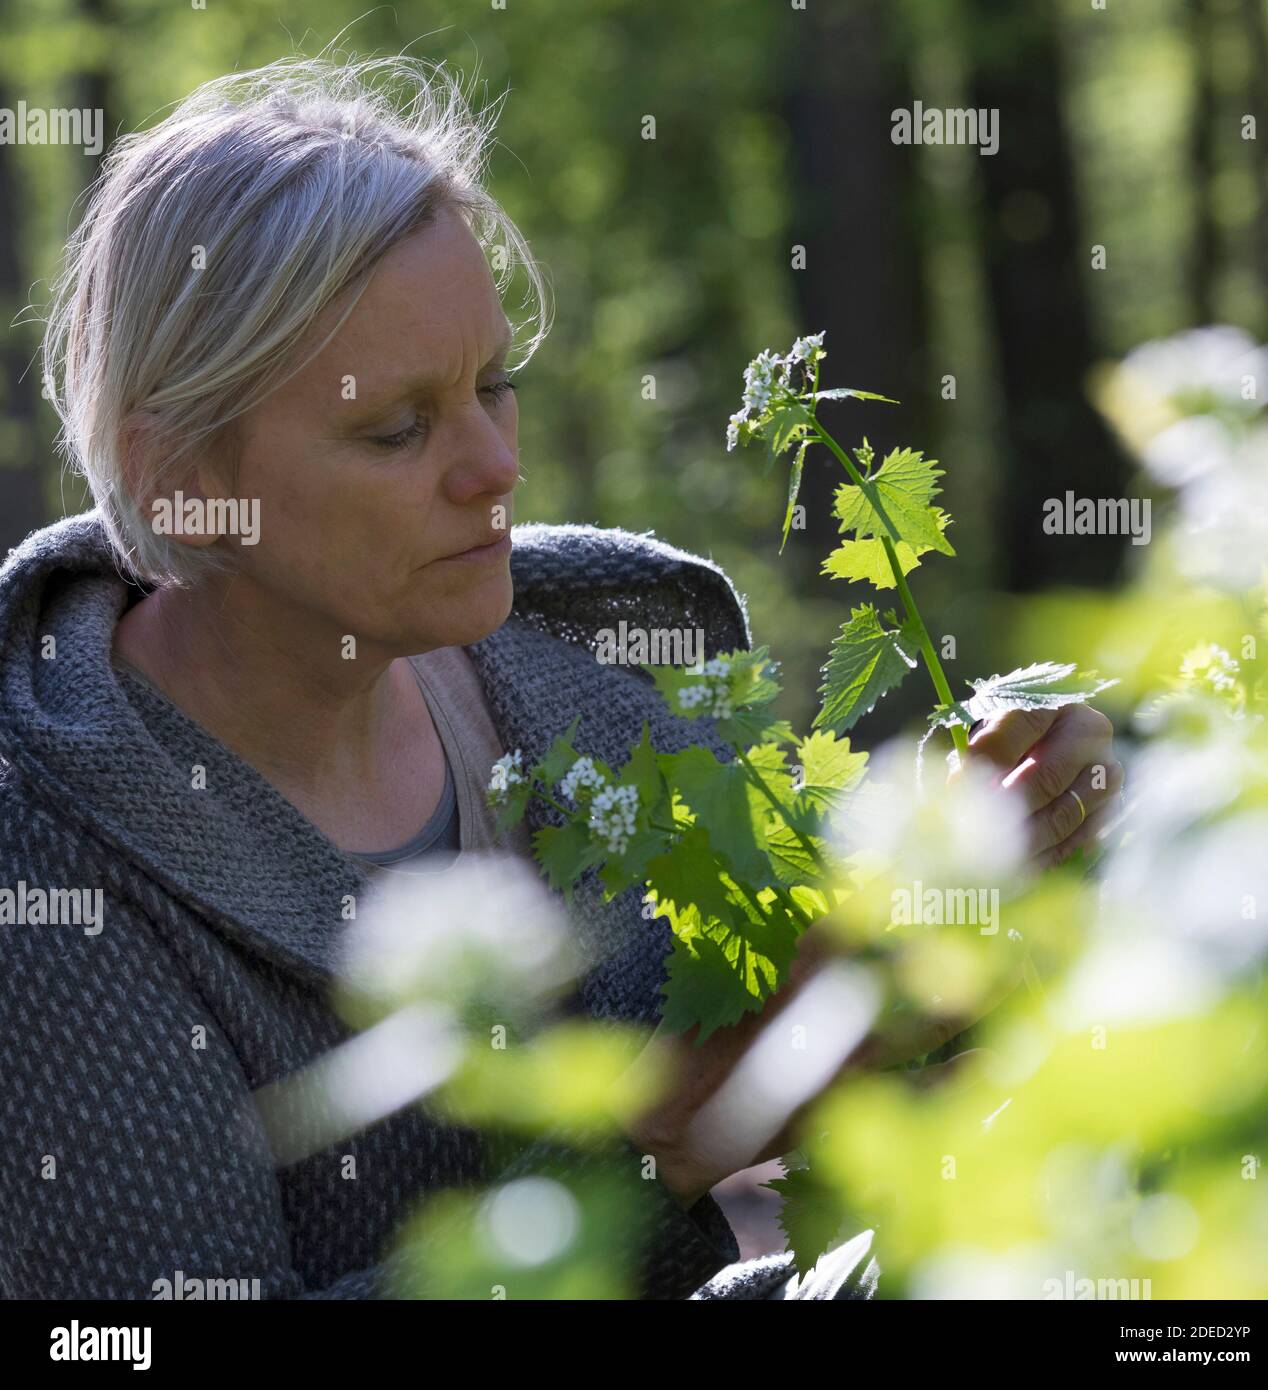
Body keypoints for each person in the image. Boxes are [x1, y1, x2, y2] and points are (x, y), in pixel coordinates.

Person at [0, 54, 1121, 1300]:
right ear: (185, 482)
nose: (493, 466)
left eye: (494, 388)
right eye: (397, 429)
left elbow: (828, 1114)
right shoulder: (48, 865)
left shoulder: (602, 663)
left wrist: (948, 945)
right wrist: (672, 1143)